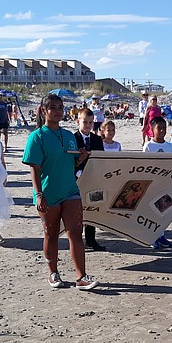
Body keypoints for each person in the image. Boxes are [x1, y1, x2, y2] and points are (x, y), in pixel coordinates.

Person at [22, 94, 98, 290]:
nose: (58, 111)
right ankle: (53, 273)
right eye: (53, 107)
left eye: (60, 107)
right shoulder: (36, 137)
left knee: (75, 233)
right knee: (52, 235)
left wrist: (80, 159)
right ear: (44, 110)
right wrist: (38, 194)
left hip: (70, 190)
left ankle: (81, 277)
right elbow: (35, 169)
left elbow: (72, 163)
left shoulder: (69, 136)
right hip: (48, 193)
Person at [75, 108, 107, 252]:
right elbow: (70, 160)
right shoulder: (73, 138)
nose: (88, 125)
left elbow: (101, 159)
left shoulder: (97, 139)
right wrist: (79, 171)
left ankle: (90, 240)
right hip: (76, 178)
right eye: (85, 122)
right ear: (78, 122)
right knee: (77, 210)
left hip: (94, 178)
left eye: (90, 122)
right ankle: (76, 240)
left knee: (92, 208)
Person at [143, 116, 172, 250]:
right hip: (153, 184)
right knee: (152, 210)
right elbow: (144, 165)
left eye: (164, 128)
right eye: (159, 128)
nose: (161, 131)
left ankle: (161, 235)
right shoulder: (149, 146)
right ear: (152, 129)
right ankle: (151, 237)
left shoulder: (169, 146)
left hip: (165, 183)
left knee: (164, 210)